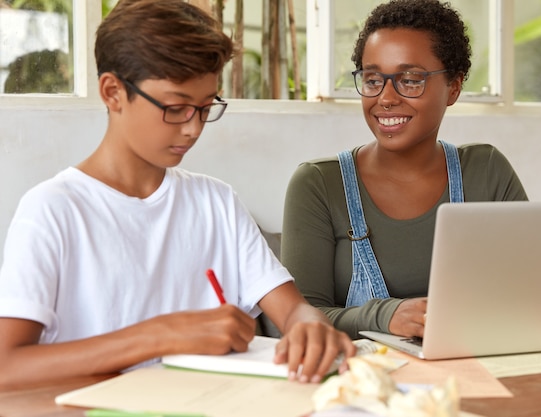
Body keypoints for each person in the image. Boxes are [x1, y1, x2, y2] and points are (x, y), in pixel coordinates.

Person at [0, 0, 355, 389]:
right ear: (113, 92)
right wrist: (157, 336)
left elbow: (295, 312)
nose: (193, 129)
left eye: (205, 107)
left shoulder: (215, 202)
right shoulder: (53, 210)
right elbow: (7, 366)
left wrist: (308, 327)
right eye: (175, 107)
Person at [281, 0, 528, 340]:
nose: (385, 97)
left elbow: (530, 296)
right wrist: (384, 315)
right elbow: (299, 320)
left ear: (453, 87)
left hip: (471, 372)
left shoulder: (486, 172)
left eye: (410, 80)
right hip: (365, 383)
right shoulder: (319, 184)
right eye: (372, 79)